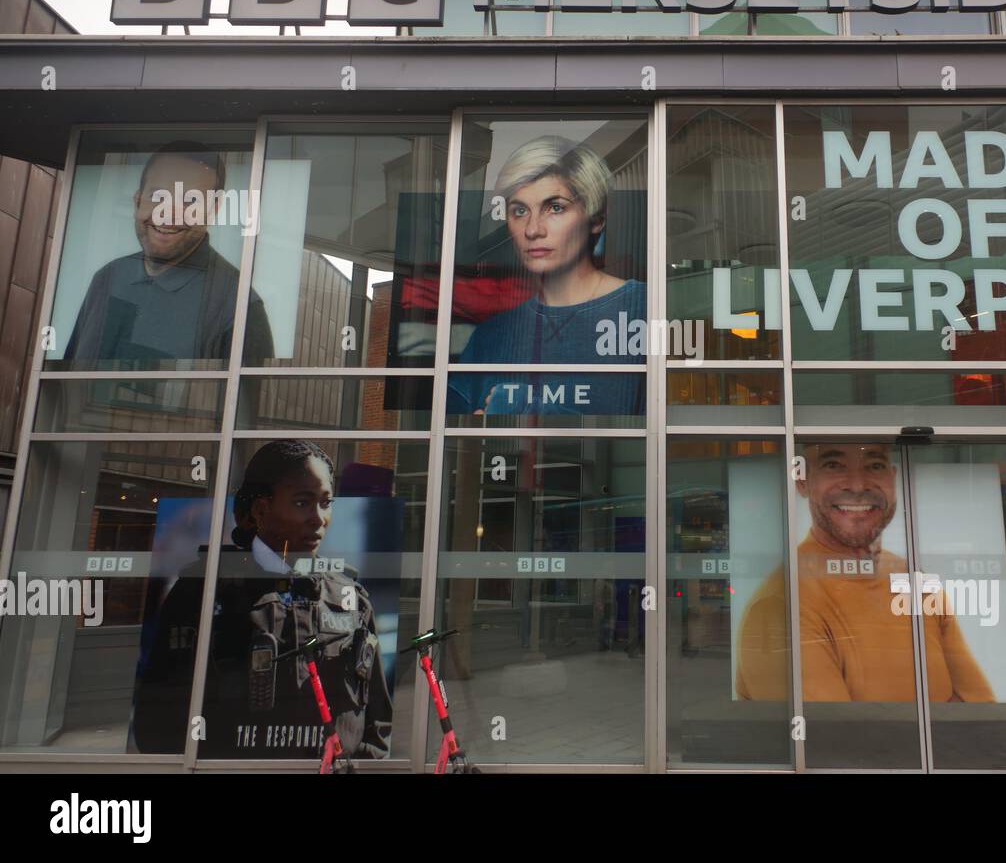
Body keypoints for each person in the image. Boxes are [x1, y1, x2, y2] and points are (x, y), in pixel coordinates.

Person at [133, 440, 392, 760]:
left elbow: (376, 721)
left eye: (326, 503)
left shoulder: (351, 599)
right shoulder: (202, 592)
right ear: (260, 510)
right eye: (302, 502)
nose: (318, 518)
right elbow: (156, 719)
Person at [735, 442, 993, 703]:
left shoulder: (910, 578)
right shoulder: (778, 606)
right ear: (801, 481)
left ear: (892, 479)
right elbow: (834, 737)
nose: (858, 485)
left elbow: (979, 710)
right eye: (833, 465)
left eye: (874, 465)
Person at [447, 135, 646, 417]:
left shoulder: (645, 308)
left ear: (597, 218)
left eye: (555, 207)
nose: (533, 230)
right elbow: (454, 450)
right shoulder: (489, 339)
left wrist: (522, 411)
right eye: (519, 211)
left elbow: (661, 438)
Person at [63, 140, 274, 365]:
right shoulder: (107, 279)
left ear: (215, 209)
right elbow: (62, 385)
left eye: (190, 201)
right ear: (137, 200)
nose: (167, 214)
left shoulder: (240, 307)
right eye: (158, 196)